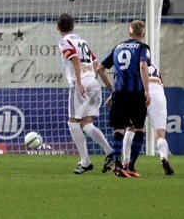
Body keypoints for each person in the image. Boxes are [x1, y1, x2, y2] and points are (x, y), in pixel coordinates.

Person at [56, 14, 114, 174]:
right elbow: (97, 64)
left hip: (80, 83)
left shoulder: (64, 41)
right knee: (86, 124)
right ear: (73, 27)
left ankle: (85, 161)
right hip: (94, 84)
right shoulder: (83, 41)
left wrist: (80, 82)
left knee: (73, 123)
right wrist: (98, 83)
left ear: (58, 28)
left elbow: (74, 59)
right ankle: (110, 151)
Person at [96, 20, 151, 178]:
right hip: (136, 94)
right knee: (139, 129)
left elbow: (100, 68)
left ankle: (118, 165)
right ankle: (131, 166)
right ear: (143, 34)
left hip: (119, 94)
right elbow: (143, 66)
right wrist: (147, 90)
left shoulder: (118, 47)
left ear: (129, 33)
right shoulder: (143, 48)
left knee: (119, 130)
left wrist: (111, 89)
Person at [121, 63, 174, 175]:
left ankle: (125, 161)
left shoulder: (134, 63)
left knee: (131, 128)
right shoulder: (154, 66)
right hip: (158, 93)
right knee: (160, 134)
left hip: (141, 91)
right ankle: (163, 157)